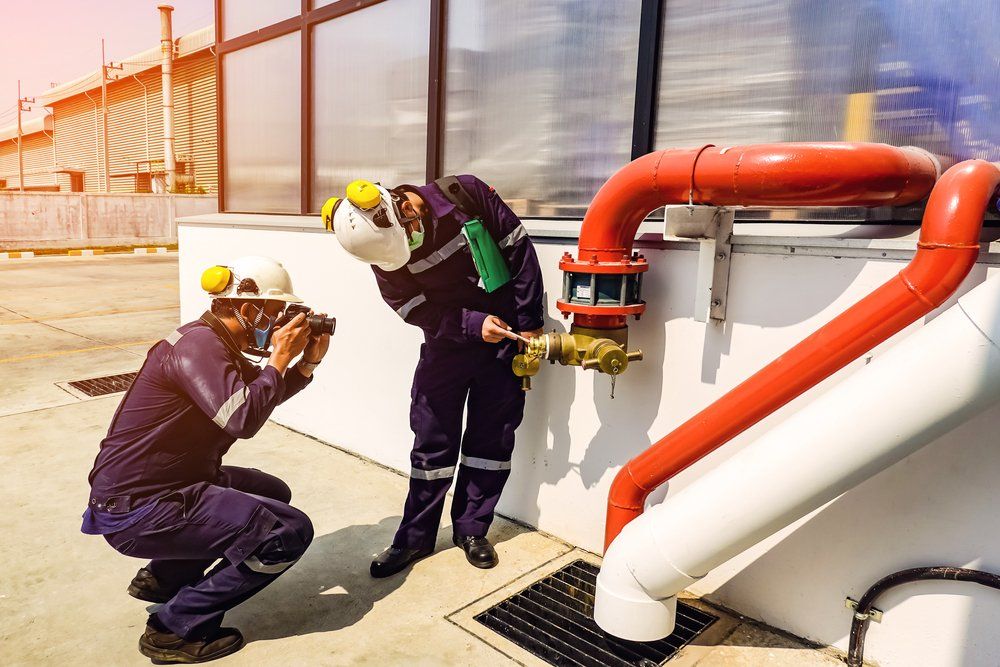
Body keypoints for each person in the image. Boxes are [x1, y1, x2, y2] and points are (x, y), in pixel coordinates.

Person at [81, 256, 330, 664]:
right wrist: (279, 359)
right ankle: (173, 628)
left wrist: (306, 362)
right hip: (140, 505)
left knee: (273, 493)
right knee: (287, 532)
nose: (282, 322)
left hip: (168, 483)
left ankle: (164, 577)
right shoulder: (199, 347)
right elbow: (242, 419)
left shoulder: (216, 344)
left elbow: (262, 396)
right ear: (249, 310)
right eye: (276, 312)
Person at [325, 175, 544, 578]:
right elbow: (412, 308)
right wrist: (472, 324)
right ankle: (413, 539)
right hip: (447, 345)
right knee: (431, 445)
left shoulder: (464, 195)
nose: (409, 246)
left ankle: (473, 530)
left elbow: (519, 252)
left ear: (402, 208)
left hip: (506, 341)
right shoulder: (382, 249)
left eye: (406, 234)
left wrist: (529, 325)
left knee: (491, 441)